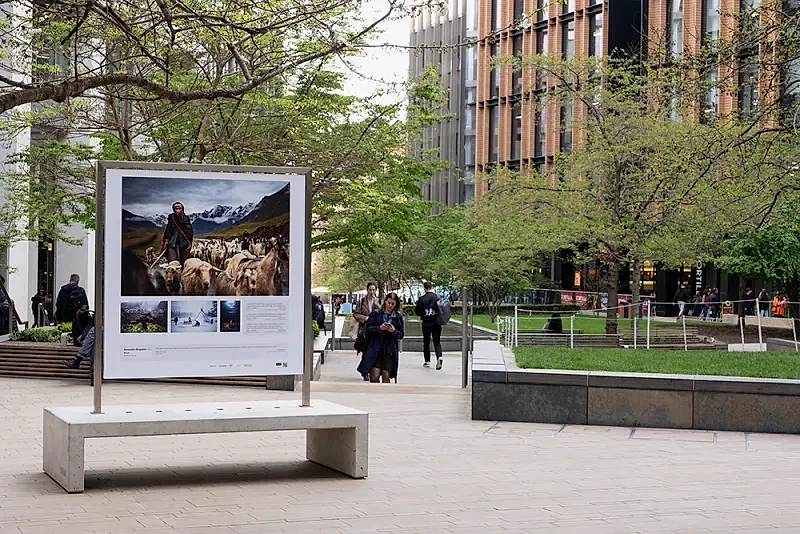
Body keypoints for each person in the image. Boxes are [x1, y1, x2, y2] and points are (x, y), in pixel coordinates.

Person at [357, 292, 404, 383]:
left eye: (392, 304)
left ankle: (386, 395)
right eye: (388, 302)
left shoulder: (397, 317)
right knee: (374, 375)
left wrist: (393, 331)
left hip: (389, 349)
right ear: (385, 301)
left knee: (386, 375)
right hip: (376, 347)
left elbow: (401, 334)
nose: (390, 305)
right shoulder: (376, 313)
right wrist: (379, 328)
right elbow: (368, 328)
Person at [353, 283, 381, 379]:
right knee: (365, 351)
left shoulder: (378, 301)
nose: (372, 292)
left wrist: (377, 305)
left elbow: (383, 313)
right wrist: (365, 318)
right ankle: (365, 372)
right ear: (367, 290)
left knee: (373, 351)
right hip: (364, 330)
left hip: (375, 330)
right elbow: (356, 314)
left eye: (373, 290)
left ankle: (369, 370)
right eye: (370, 290)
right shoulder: (361, 302)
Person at [415, 281, 444, 370]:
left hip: (426, 323)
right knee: (437, 341)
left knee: (426, 342)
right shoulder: (437, 297)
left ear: (424, 288)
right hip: (436, 322)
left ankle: (427, 360)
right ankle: (439, 356)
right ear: (431, 287)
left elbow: (417, 312)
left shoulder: (422, 299)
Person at [162, 202, 194, 266]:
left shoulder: (186, 218)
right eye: (176, 209)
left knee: (185, 258)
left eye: (179, 208)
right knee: (172, 258)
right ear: (174, 209)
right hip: (173, 239)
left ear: (182, 209)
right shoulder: (172, 217)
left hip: (183, 240)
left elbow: (189, 230)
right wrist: (166, 239)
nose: (178, 210)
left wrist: (189, 241)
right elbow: (168, 228)